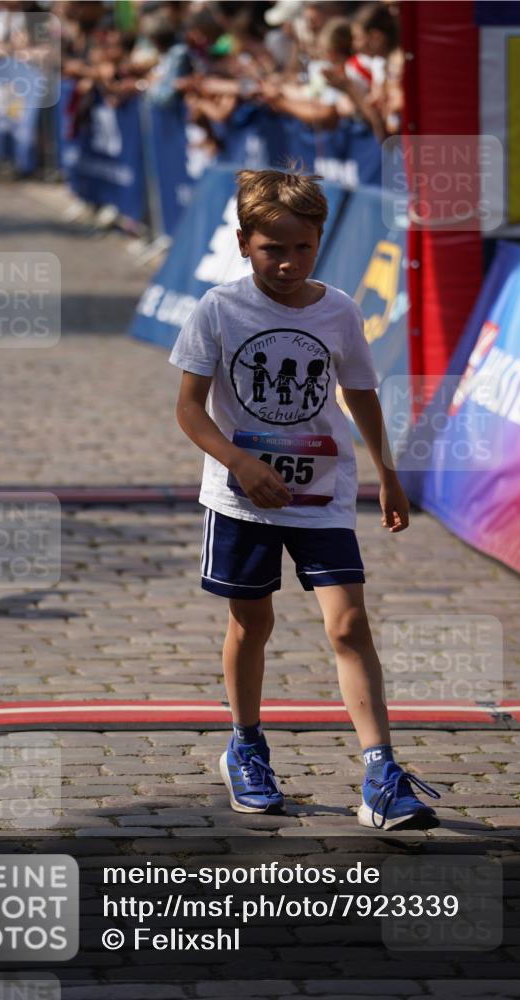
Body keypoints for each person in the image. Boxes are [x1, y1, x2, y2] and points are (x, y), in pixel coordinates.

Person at [169, 167, 441, 830]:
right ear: (243, 243)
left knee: (348, 624)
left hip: (322, 493)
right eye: (272, 249)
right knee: (251, 625)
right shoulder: (218, 309)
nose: (287, 263)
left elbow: (359, 393)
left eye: (301, 248)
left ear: (320, 242)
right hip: (242, 500)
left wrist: (386, 469)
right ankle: (246, 744)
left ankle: (380, 772)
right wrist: (238, 460)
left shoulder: (339, 309)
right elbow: (188, 409)